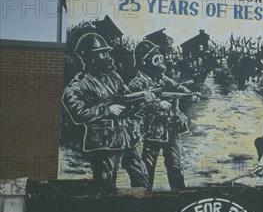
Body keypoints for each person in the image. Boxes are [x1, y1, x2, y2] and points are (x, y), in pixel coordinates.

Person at [62, 33, 150, 190]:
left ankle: (140, 210)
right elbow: (78, 113)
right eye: (103, 53)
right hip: (103, 143)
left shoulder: (114, 77)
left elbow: (127, 100)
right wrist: (107, 110)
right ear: (91, 58)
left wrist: (143, 100)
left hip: (126, 138)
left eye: (107, 52)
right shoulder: (79, 84)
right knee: (106, 185)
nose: (108, 57)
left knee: (142, 176)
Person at [128, 40, 194, 191]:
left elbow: (176, 86)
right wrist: (157, 104)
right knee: (148, 166)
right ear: (145, 62)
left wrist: (190, 94)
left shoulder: (161, 77)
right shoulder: (137, 83)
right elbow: (134, 105)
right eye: (156, 59)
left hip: (170, 129)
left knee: (175, 166)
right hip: (152, 132)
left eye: (160, 58)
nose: (160, 62)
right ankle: (145, 197)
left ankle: (180, 197)